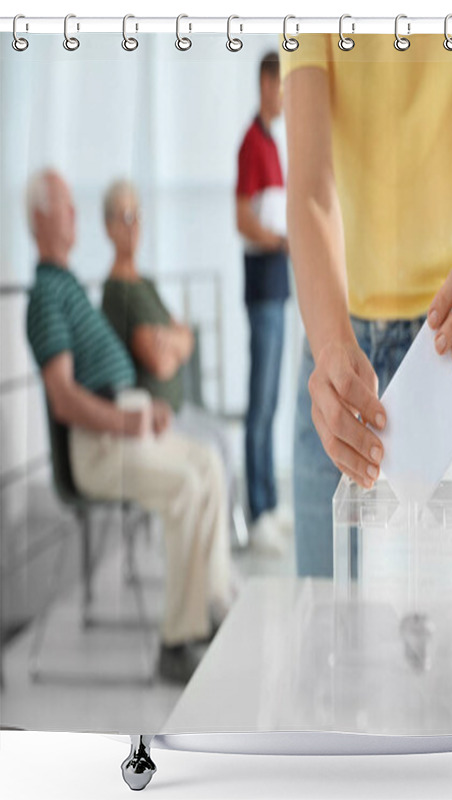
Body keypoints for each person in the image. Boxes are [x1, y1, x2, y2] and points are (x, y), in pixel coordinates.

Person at [281, 36, 452, 577]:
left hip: (444, 347)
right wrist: (331, 342)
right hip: (337, 344)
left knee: (446, 640)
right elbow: (308, 184)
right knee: (324, 618)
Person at [25, 169, 234, 683]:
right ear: (39, 218)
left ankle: (212, 610)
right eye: (66, 206)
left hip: (121, 426)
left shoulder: (69, 285)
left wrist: (144, 409)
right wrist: (128, 418)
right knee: (186, 484)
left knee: (207, 462)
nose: (77, 215)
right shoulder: (46, 297)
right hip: (98, 447)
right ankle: (176, 642)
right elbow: (64, 399)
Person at [99, 178, 248, 551]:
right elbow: (160, 363)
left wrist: (173, 339)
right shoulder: (116, 293)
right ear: (108, 226)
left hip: (182, 408)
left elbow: (186, 337)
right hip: (158, 417)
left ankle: (226, 547)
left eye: (138, 215)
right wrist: (172, 340)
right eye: (125, 216)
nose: (134, 226)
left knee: (224, 440)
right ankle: (214, 555)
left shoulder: (145, 283)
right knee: (213, 452)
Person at [235, 52, 290, 554]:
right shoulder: (252, 144)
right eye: (281, 84)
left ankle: (270, 504)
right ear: (265, 83)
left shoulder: (274, 144)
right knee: (260, 404)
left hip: (278, 288)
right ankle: (256, 511)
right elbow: (243, 219)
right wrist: (280, 241)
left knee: (271, 404)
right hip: (263, 290)